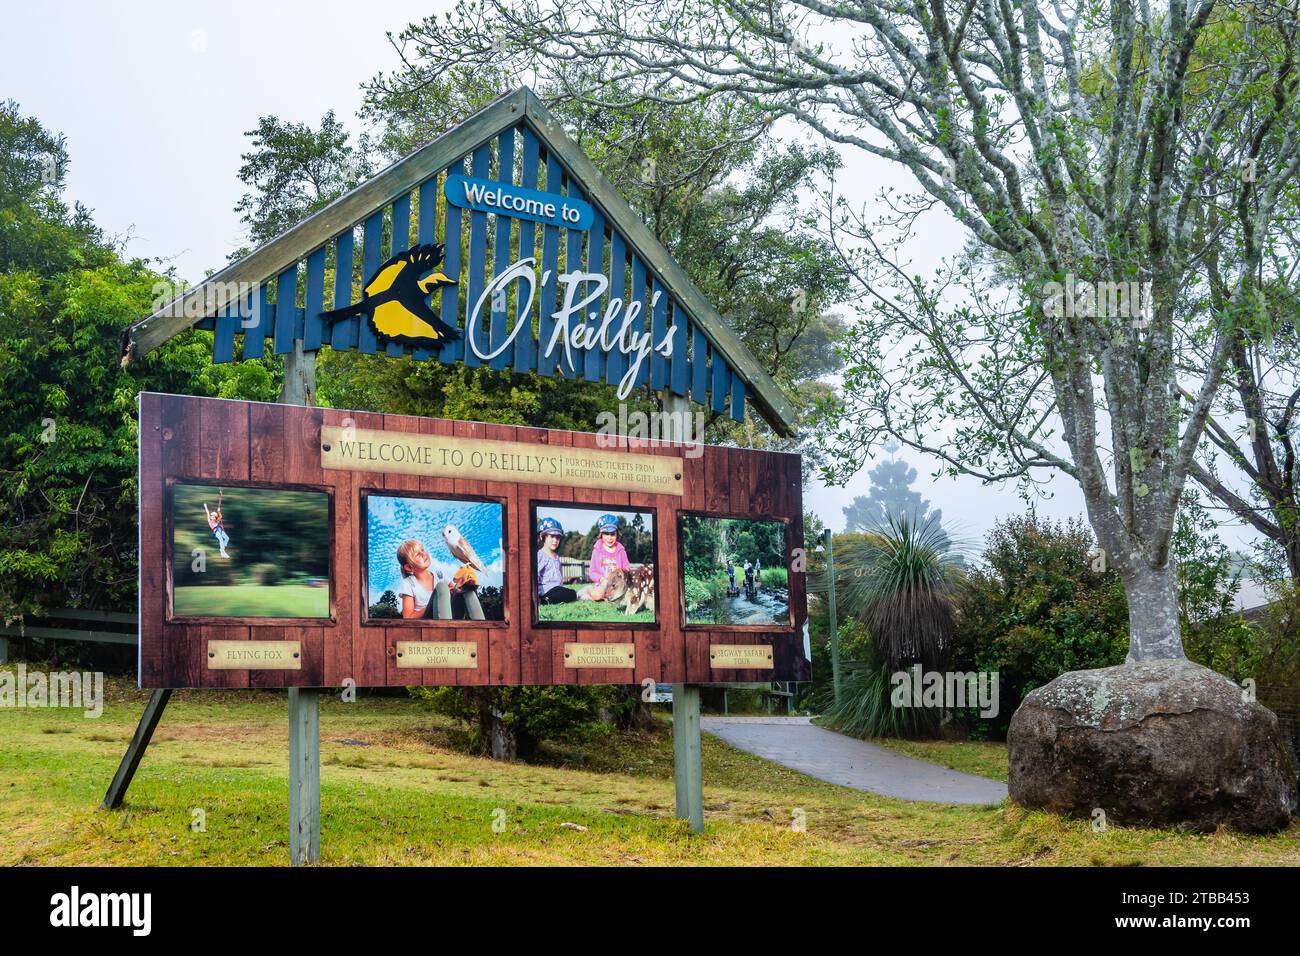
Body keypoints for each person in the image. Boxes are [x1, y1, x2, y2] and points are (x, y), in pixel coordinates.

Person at [395, 539, 451, 619]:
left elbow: (456, 591)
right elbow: (408, 617)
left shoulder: (440, 575)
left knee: (468, 592)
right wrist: (434, 604)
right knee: (442, 587)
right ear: (409, 567)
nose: (423, 554)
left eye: (422, 550)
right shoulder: (409, 584)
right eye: (417, 554)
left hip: (451, 616)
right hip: (428, 625)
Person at [582, 514, 631, 600]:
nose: (609, 538)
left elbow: (627, 568)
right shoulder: (597, 551)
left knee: (627, 596)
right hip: (603, 584)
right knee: (598, 595)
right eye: (606, 534)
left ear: (617, 534)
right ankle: (589, 590)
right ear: (601, 535)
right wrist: (601, 579)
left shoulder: (621, 551)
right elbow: (592, 572)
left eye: (612, 534)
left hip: (617, 584)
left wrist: (620, 571)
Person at [536, 517, 578, 604]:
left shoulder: (557, 557)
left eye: (558, 537)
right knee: (559, 592)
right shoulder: (540, 555)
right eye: (552, 536)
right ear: (542, 537)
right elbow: (536, 576)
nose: (555, 541)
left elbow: (559, 575)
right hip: (545, 591)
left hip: (558, 589)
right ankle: (543, 600)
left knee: (571, 593)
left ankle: (558, 598)